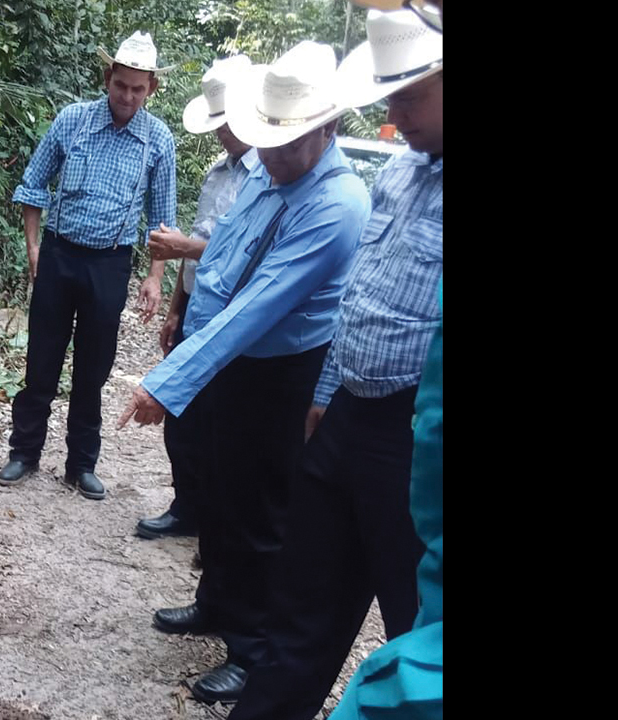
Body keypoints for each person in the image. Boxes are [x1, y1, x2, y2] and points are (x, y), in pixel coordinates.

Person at [117, 41, 371, 703]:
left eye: (288, 145)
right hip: (232, 359)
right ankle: (217, 603)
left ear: (329, 128)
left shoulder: (337, 205)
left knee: (262, 512)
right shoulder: (269, 168)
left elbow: (260, 305)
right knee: (220, 491)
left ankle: (252, 648)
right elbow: (225, 257)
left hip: (283, 370)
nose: (273, 157)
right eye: (270, 143)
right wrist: (190, 343)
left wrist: (169, 381)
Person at [227, 9, 443, 719]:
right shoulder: (403, 173)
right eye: (390, 93)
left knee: (416, 630)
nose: (394, 110)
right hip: (349, 411)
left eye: (411, 96)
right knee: (303, 601)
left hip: (419, 440)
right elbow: (363, 292)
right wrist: (327, 390)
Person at [0, 31, 178, 501]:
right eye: (121, 85)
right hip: (59, 254)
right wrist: (34, 247)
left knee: (93, 368)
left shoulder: (157, 140)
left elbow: (161, 220)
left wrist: (154, 277)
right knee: (42, 360)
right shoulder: (73, 121)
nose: (128, 96)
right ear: (108, 78)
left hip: (111, 263)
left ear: (152, 89)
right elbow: (34, 184)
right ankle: (24, 452)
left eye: (138, 89)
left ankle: (81, 464)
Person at [136, 54, 258, 540]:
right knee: (183, 416)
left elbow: (244, 255)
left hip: (236, 321)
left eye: (226, 122)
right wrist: (175, 308)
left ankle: (217, 520)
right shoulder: (217, 172)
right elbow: (197, 252)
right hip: (197, 310)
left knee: (222, 423)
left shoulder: (265, 178)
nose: (220, 133)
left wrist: (183, 246)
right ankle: (187, 506)